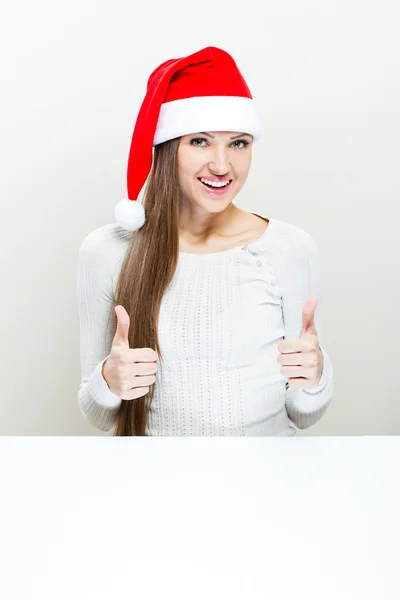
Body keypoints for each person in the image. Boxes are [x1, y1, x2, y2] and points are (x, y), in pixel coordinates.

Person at [77, 46, 334, 436]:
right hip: (156, 487)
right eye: (200, 141)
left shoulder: (289, 248)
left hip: (268, 486)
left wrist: (314, 378)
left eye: (239, 143)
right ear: (167, 150)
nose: (221, 165)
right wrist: (110, 382)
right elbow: (98, 415)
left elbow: (303, 415)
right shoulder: (109, 252)